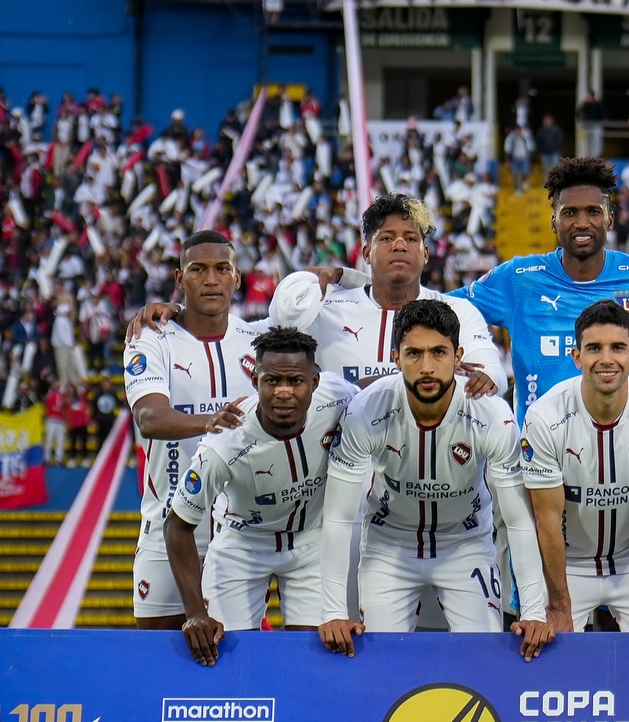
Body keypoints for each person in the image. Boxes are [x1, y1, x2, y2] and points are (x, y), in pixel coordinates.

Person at [316, 300, 552, 656]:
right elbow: (337, 516)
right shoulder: (366, 410)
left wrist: (534, 610)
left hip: (466, 543)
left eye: (438, 353)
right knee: (381, 663)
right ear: (395, 357)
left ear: (458, 356)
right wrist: (334, 611)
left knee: (482, 659)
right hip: (389, 545)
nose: (426, 367)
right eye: (414, 354)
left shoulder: (491, 414)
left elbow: (518, 521)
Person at [455, 157, 629, 416]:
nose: (582, 223)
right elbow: (438, 308)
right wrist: (484, 363)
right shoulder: (518, 279)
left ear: (610, 220)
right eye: (569, 213)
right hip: (539, 455)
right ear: (554, 222)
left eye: (593, 212)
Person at [164, 328, 356, 663]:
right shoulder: (223, 444)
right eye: (272, 381)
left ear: (314, 382)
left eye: (295, 381)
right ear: (255, 381)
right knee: (228, 659)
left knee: (316, 656)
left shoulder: (339, 396)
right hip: (242, 547)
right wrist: (194, 612)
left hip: (311, 543)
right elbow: (176, 526)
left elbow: (383, 402)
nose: (283, 392)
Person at [122, 231, 259, 630]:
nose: (212, 279)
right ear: (180, 279)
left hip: (239, 533)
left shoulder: (258, 339)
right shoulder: (150, 339)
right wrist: (209, 421)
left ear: (237, 278)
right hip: (167, 525)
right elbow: (149, 418)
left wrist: (340, 274)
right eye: (199, 270)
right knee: (160, 662)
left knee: (234, 663)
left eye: (222, 269)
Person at [521, 299, 629, 633]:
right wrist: (559, 605)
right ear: (577, 356)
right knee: (550, 658)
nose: (606, 359)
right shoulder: (545, 416)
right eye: (594, 348)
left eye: (617, 348)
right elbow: (545, 519)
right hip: (568, 566)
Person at [267, 195, 505, 393]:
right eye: (387, 238)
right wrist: (341, 276)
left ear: (425, 254)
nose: (399, 245)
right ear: (367, 253)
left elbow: (492, 376)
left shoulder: (458, 311)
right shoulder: (326, 308)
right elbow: (282, 314)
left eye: (411, 238)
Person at [504, 121, 533, 191]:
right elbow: (507, 150)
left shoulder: (525, 138)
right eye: (516, 130)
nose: (518, 132)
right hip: (515, 159)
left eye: (519, 130)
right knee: (515, 175)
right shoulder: (511, 139)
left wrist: (530, 156)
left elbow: (531, 147)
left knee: (525, 172)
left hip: (524, 158)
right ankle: (518, 189)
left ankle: (524, 182)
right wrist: (508, 160)